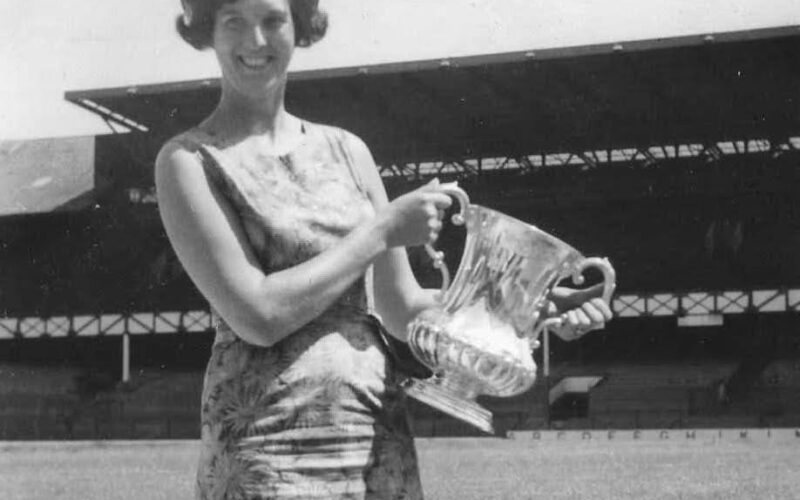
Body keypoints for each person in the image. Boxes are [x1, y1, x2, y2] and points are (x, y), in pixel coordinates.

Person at [155, 0, 613, 498]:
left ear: (299, 25)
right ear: (207, 30)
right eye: (234, 21)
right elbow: (257, 314)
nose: (256, 40)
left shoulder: (348, 152)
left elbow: (400, 309)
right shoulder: (187, 161)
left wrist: (517, 312)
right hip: (262, 448)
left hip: (372, 438)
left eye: (273, 19)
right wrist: (380, 230)